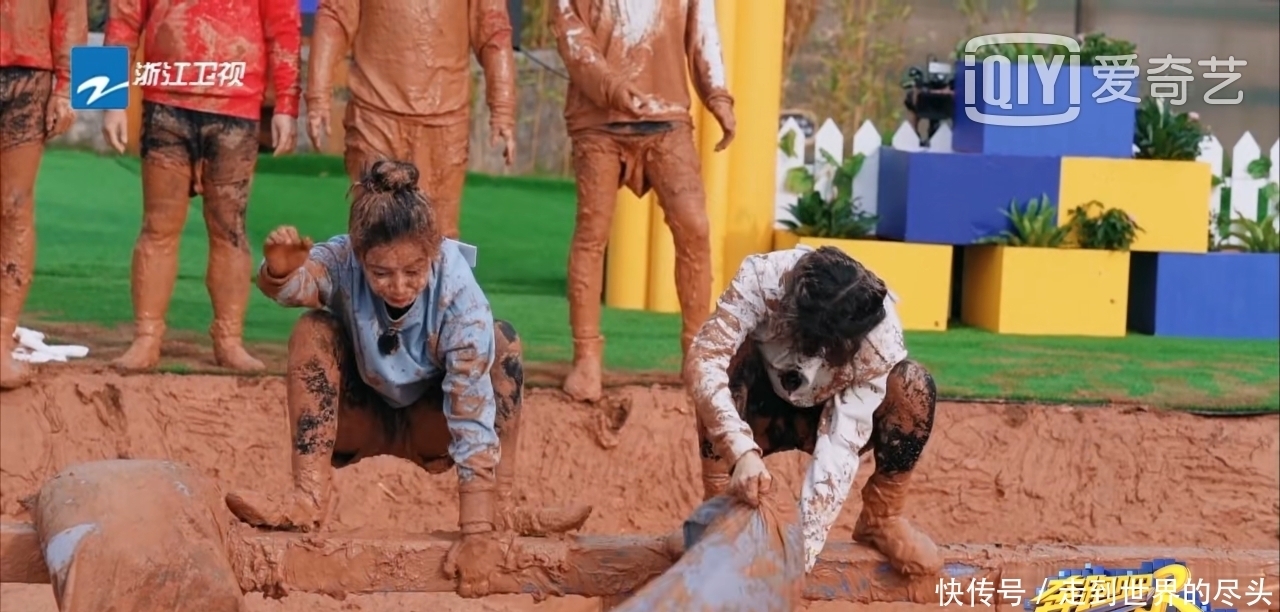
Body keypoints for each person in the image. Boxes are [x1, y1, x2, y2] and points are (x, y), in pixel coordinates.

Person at [224, 160, 591, 597]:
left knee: (503, 341)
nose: (399, 285)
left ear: (434, 252)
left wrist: (478, 533)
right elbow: (298, 288)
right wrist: (279, 272)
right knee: (312, 329)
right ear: (360, 257)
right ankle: (308, 499)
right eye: (381, 273)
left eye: (413, 271)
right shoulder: (343, 258)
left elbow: (471, 407)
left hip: (430, 425)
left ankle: (502, 507)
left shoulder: (461, 297)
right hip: (359, 418)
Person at [684, 245, 942, 577]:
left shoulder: (881, 342)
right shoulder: (761, 278)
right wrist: (741, 451)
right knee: (723, 365)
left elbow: (841, 446)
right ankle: (720, 520)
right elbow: (704, 360)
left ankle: (882, 517)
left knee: (913, 386)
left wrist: (796, 558)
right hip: (760, 407)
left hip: (828, 411)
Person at [550, 0, 736, 402]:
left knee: (695, 228)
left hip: (667, 118)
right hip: (597, 121)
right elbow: (572, 38)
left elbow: (703, 32)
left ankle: (697, 357)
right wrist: (612, 87)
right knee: (592, 233)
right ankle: (586, 356)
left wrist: (718, 95)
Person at [102, 0, 301, 372]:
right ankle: (146, 336)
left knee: (230, 230)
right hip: (165, 104)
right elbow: (122, 18)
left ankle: (229, 339)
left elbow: (284, 26)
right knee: (158, 226)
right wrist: (105, 99)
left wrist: (287, 106)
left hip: (237, 108)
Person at [304, 0, 516, 239]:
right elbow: (335, 16)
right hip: (375, 113)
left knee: (438, 233)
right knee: (373, 228)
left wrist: (503, 108)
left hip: (444, 119)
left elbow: (492, 28)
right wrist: (317, 96)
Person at [0, 0, 87, 388]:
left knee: (14, 206)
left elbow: (73, 8)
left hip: (29, 72)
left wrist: (71, 90)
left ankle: (0, 341)